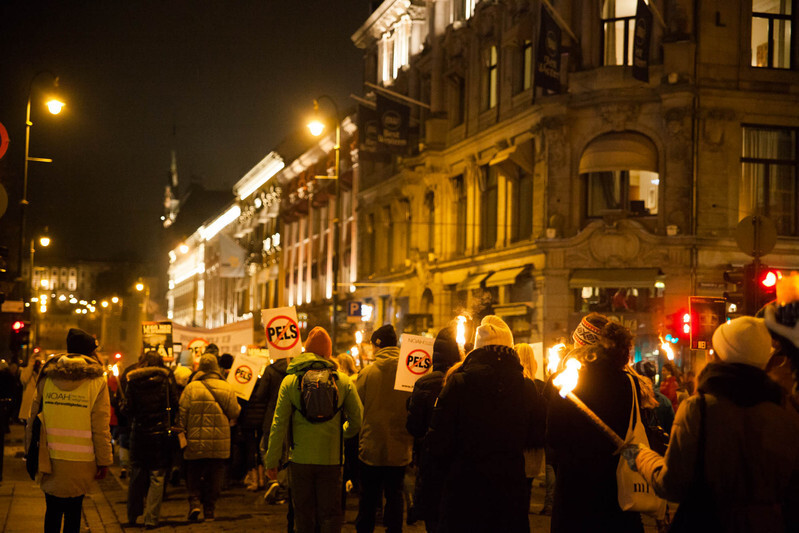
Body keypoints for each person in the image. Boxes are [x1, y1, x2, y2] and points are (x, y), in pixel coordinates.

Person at [624, 316, 799, 531]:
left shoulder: (699, 409)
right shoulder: (787, 414)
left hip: (707, 523)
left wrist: (641, 456)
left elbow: (672, 485)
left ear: (719, 356)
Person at [427, 315, 546, 533]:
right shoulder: (526, 386)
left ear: (477, 348)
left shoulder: (459, 381)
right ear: (510, 347)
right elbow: (536, 435)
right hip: (510, 486)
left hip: (465, 486)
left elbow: (439, 439)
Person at [546, 313, 644, 533]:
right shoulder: (629, 381)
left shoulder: (567, 379)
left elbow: (554, 434)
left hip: (576, 485)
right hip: (615, 483)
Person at [264, 327, 363, 533]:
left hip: (299, 459)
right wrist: (340, 434)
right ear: (328, 353)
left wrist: (272, 461)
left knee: (303, 514)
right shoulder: (342, 381)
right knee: (330, 514)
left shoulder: (290, 381)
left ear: (306, 351)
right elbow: (358, 419)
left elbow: (278, 424)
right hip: (331, 459)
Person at [25, 328, 113, 533]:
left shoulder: (47, 378)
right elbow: (100, 426)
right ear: (90, 353)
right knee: (74, 512)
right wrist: (104, 460)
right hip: (82, 461)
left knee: (52, 510)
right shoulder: (97, 382)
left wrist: (30, 451)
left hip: (49, 457)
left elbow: (34, 417)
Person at [355, 324, 414, 533]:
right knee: (394, 497)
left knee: (368, 500)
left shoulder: (367, 374)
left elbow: (355, 406)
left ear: (376, 346)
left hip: (371, 446)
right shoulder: (410, 375)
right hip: (400, 447)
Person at [405, 325, 460, 533]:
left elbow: (414, 428)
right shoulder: (465, 380)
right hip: (458, 464)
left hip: (430, 463)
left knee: (434, 520)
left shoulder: (424, 383)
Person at [179, 353, 241, 522]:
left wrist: (182, 433)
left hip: (195, 439)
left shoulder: (191, 388)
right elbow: (235, 412)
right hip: (219, 441)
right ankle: (210, 510)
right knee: (215, 474)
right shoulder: (226, 387)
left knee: (193, 471)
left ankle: (195, 502)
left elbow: (182, 415)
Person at [124, 351, 179, 528]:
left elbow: (128, 409)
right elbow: (175, 404)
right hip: (160, 433)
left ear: (143, 362)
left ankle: (132, 515)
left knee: (137, 474)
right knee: (157, 476)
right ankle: (151, 518)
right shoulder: (166, 380)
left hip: (139, 433)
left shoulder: (132, 381)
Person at [515, 343, 546, 513]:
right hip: (534, 446)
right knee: (527, 488)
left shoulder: (512, 385)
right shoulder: (540, 386)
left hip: (517, 444)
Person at [18, 355, 44, 422]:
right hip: (28, 406)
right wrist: (30, 366)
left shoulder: (42, 373)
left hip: (38, 406)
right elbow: (24, 380)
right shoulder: (26, 371)